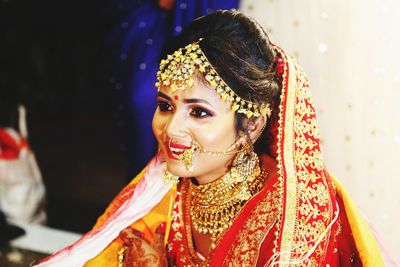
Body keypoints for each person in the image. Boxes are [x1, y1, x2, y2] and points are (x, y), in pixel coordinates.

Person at [35, 10, 385, 266]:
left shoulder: (296, 224)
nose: (171, 129)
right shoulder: (170, 190)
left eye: (199, 112)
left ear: (252, 126)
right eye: (165, 105)